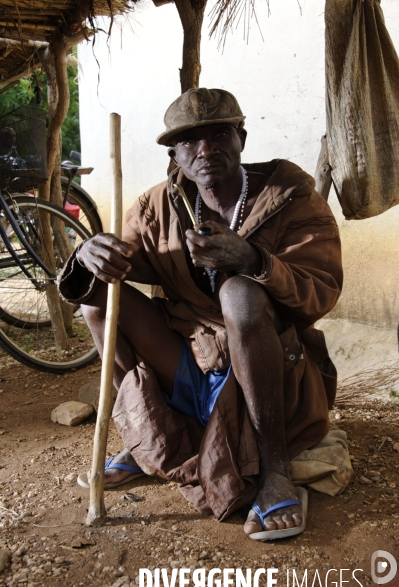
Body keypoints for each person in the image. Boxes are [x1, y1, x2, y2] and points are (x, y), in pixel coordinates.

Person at [58, 88, 343, 541]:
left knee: (238, 295)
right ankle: (145, 433)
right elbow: (118, 263)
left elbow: (321, 292)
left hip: (271, 377)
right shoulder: (158, 206)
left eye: (220, 134)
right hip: (190, 362)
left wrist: (253, 260)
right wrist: (91, 252)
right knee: (98, 299)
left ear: (241, 138)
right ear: (174, 154)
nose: (205, 150)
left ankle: (274, 471)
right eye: (190, 141)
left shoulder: (289, 194)